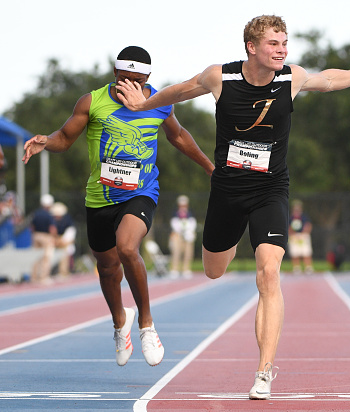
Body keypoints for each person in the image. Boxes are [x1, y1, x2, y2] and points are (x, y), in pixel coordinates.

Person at [116, 15, 350, 399]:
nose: (283, 50)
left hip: (270, 189)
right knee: (213, 271)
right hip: (227, 190)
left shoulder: (289, 78)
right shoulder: (219, 77)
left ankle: (264, 372)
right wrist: (145, 105)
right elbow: (178, 92)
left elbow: (328, 79)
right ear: (252, 47)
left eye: (285, 43)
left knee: (269, 275)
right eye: (275, 44)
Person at [22, 46, 214, 367]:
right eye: (125, 79)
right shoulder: (92, 102)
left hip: (140, 192)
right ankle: (119, 323)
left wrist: (211, 169)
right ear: (114, 75)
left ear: (148, 79)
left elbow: (178, 136)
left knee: (127, 248)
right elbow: (64, 137)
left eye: (138, 81)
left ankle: (147, 325)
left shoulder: (159, 102)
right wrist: (45, 141)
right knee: (108, 268)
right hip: (100, 196)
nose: (131, 87)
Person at [169, 194, 198, 278]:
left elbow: (193, 223)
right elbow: (174, 224)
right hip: (177, 234)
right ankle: (174, 269)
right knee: (176, 251)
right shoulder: (175, 213)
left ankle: (186, 269)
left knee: (188, 252)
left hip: (188, 235)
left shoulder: (191, 213)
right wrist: (180, 230)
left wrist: (188, 231)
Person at [30, 194, 57, 284]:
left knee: (35, 257)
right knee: (46, 258)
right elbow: (52, 228)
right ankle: (43, 277)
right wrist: (54, 237)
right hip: (46, 236)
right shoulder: (49, 215)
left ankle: (34, 277)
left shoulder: (36, 213)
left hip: (36, 235)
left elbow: (32, 226)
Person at [51, 202, 76, 278]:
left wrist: (60, 241)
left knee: (66, 254)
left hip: (65, 241)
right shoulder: (54, 221)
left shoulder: (68, 224)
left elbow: (68, 238)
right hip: (57, 242)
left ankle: (64, 271)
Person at [288, 199, 313, 274]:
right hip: (294, 237)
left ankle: (308, 267)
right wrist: (292, 234)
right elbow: (288, 227)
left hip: (303, 236)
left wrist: (304, 233)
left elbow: (308, 226)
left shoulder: (304, 217)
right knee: (295, 253)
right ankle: (296, 268)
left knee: (306, 252)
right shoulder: (290, 218)